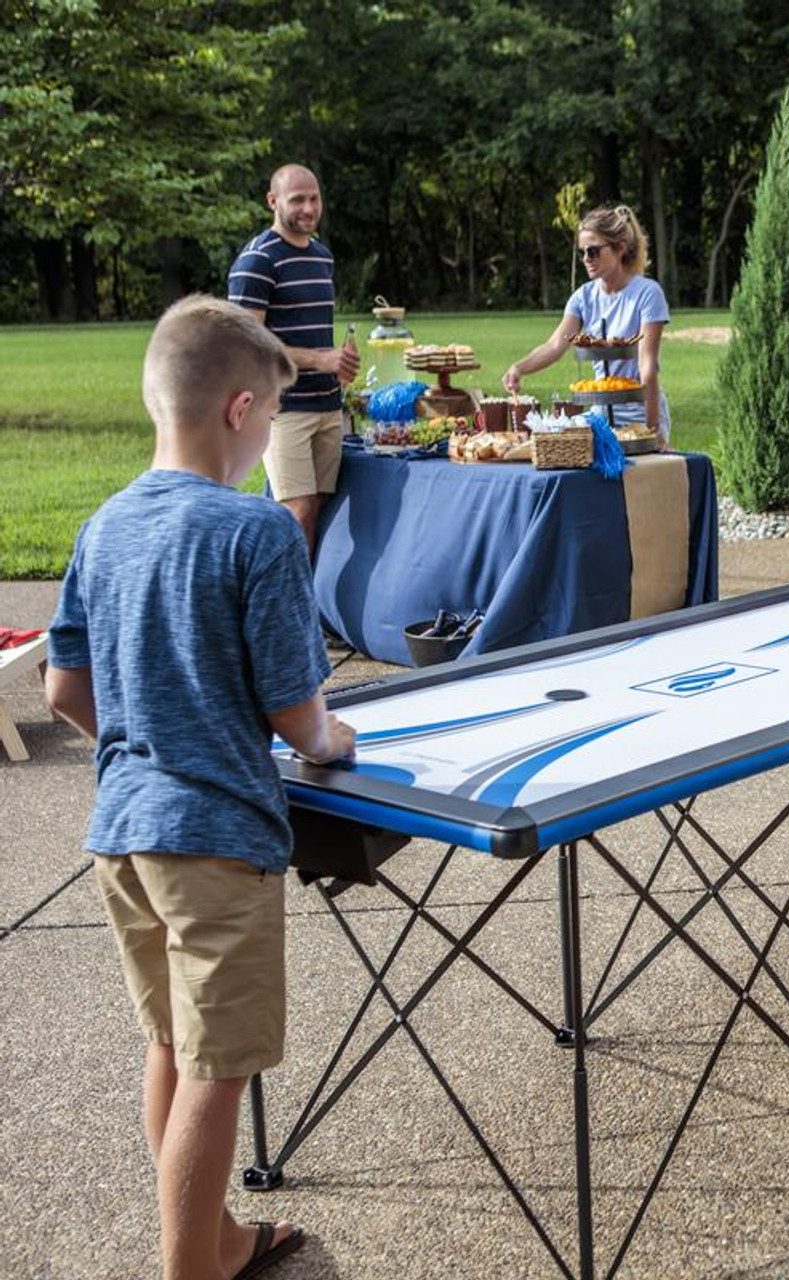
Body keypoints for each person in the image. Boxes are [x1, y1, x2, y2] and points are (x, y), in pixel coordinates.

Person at [44, 295, 356, 1280]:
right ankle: (195, 1266)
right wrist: (333, 734)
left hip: (123, 835)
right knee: (220, 1069)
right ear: (238, 409)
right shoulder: (253, 531)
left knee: (172, 1047)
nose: (270, 432)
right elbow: (296, 718)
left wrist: (146, 747)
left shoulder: (104, 526)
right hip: (217, 842)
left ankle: (215, 1235)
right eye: (270, 413)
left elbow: (64, 688)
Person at [227, 163, 359, 557]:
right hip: (283, 408)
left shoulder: (321, 256)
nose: (308, 207)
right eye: (297, 199)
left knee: (316, 506)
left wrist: (340, 361)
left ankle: (305, 606)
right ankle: (286, 611)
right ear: (273, 201)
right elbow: (247, 344)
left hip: (327, 403)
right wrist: (319, 361)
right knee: (296, 511)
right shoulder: (257, 261)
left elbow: (312, 333)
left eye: (314, 198)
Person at [503, 204, 671, 448]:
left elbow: (647, 365)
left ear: (620, 248)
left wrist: (653, 430)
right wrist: (518, 368)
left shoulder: (647, 294)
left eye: (593, 251)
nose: (586, 259)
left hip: (639, 415)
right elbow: (554, 345)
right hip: (599, 416)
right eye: (583, 252)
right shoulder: (583, 297)